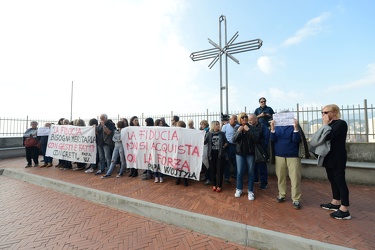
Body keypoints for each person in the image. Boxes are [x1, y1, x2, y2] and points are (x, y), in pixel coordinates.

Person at [314, 104, 351, 220]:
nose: (323, 114)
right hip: (329, 157)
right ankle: (335, 202)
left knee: (340, 181)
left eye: (326, 112)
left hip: (338, 157)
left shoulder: (341, 124)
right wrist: (325, 125)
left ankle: (344, 209)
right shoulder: (329, 124)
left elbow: (329, 136)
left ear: (334, 112)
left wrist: (325, 125)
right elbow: (317, 138)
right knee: (332, 179)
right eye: (322, 112)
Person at [270, 115, 302, 209]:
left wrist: (296, 128)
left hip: (293, 155)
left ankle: (296, 199)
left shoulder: (294, 125)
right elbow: (273, 139)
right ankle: (282, 195)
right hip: (279, 154)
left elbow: (296, 140)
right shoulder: (276, 126)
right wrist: (272, 129)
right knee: (280, 176)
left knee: (295, 178)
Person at [233, 113, 260, 201]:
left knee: (251, 172)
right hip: (239, 153)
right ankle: (239, 189)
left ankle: (250, 191)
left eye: (245, 117)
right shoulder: (237, 128)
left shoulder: (252, 127)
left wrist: (248, 130)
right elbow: (233, 140)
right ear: (239, 119)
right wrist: (238, 131)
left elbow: (256, 138)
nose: (244, 119)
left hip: (250, 153)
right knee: (240, 172)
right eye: (242, 117)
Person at [204, 121, 228, 192]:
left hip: (220, 154)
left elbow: (226, 142)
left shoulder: (222, 134)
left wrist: (224, 145)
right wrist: (203, 138)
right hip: (211, 154)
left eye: (218, 124)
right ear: (213, 126)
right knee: (212, 170)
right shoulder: (209, 134)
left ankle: (219, 185)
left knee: (220, 170)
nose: (218, 125)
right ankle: (214, 185)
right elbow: (205, 142)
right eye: (216, 124)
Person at [249, 113, 270, 190]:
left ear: (256, 119)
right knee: (253, 165)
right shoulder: (249, 127)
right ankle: (255, 179)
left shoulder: (263, 127)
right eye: (249, 120)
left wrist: (262, 148)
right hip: (252, 150)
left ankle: (264, 183)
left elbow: (266, 138)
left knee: (262, 166)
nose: (249, 121)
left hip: (260, 149)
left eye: (251, 120)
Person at [222, 114, 239, 183]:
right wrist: (224, 144)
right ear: (230, 120)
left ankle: (236, 176)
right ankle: (227, 177)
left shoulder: (238, 127)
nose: (235, 120)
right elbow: (222, 136)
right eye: (234, 119)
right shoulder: (225, 126)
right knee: (227, 162)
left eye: (236, 119)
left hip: (236, 146)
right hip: (228, 146)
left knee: (236, 162)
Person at [175, 120, 188, 186]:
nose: (176, 126)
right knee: (178, 166)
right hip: (178, 152)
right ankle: (178, 179)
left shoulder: (186, 133)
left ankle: (185, 180)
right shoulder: (175, 133)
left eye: (177, 125)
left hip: (184, 152)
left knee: (184, 166)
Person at [199, 120, 211, 185]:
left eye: (202, 124)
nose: (201, 126)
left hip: (207, 149)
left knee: (207, 164)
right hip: (203, 148)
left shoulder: (208, 131)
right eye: (201, 125)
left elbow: (206, 141)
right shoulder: (203, 131)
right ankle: (206, 177)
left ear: (205, 124)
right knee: (204, 164)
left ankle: (208, 178)